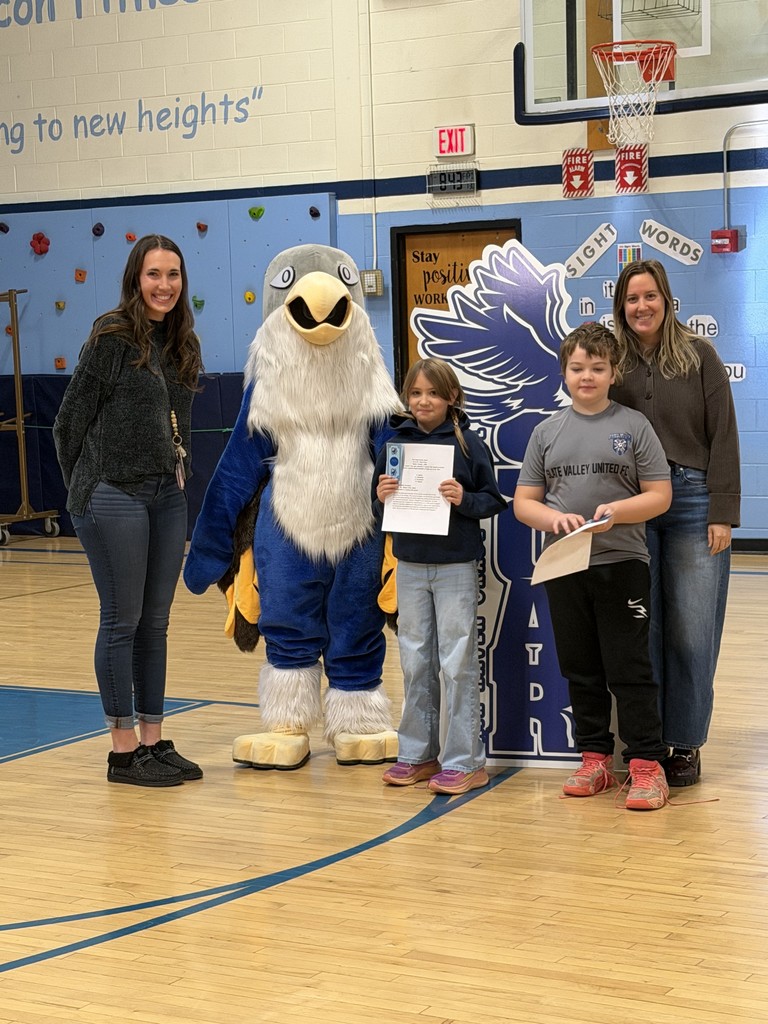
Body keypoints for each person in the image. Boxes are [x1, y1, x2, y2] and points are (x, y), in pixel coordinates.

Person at [54, 234, 204, 788]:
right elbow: (67, 422)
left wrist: (177, 476)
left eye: (173, 274)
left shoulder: (183, 343)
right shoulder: (113, 337)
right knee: (122, 620)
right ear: (134, 279)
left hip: (166, 494)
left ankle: (152, 740)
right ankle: (121, 754)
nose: (164, 285)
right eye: (153, 274)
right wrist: (85, 489)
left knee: (155, 625)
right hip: (111, 493)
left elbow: (180, 427)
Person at [514, 323, 673, 811]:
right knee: (580, 667)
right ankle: (595, 759)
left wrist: (618, 512)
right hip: (565, 565)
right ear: (564, 372)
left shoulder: (633, 426)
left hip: (622, 562)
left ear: (613, 372)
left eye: (597, 368)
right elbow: (524, 503)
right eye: (578, 368)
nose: (587, 376)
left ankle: (646, 766)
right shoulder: (547, 432)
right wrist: (553, 518)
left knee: (630, 666)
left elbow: (660, 496)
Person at [611, 259, 740, 787]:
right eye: (632, 298)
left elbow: (725, 435)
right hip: (632, 502)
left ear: (666, 299)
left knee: (691, 631)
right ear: (622, 306)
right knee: (644, 629)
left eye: (650, 296)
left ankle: (684, 743)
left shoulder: (699, 356)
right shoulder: (611, 363)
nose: (642, 306)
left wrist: (723, 513)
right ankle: (647, 742)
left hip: (690, 501)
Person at [373, 358, 507, 795]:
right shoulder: (395, 444)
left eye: (433, 393)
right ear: (406, 399)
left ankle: (466, 761)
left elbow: (492, 500)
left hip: (454, 567)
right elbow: (380, 509)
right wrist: (381, 497)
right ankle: (418, 754)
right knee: (414, 662)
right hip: (409, 565)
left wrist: (463, 498)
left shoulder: (468, 444)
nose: (423, 400)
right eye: (415, 393)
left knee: (457, 662)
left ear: (451, 397)